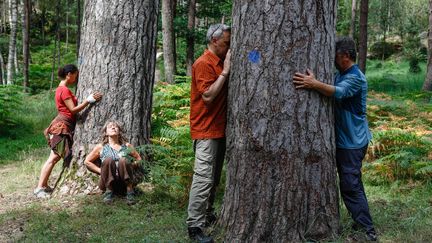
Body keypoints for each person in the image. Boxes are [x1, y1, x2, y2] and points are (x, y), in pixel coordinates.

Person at [292, 37, 377, 241]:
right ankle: (362, 223)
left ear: (346, 56)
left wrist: (313, 84)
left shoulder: (356, 77)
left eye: (336, 56)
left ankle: (368, 232)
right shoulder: (342, 74)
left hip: (353, 142)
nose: (333, 59)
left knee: (350, 185)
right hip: (346, 141)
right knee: (353, 184)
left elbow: (339, 93)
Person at [186, 23, 231, 243]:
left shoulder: (223, 60)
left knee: (213, 178)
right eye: (226, 43)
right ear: (214, 41)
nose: (228, 47)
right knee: (203, 178)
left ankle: (208, 214)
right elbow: (208, 96)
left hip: (221, 129)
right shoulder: (203, 63)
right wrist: (224, 73)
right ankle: (194, 226)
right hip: (206, 130)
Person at [34, 64, 102, 198]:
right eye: (75, 75)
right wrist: (88, 101)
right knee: (53, 157)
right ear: (69, 74)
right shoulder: (63, 90)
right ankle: (39, 188)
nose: (76, 78)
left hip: (64, 125)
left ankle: (44, 185)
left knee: (54, 157)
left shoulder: (61, 89)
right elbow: (73, 110)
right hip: (61, 127)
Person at [84, 120, 142, 205]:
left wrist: (130, 166)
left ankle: (130, 191)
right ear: (106, 132)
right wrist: (101, 171)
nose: (113, 127)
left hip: (124, 181)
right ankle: (109, 192)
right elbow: (87, 162)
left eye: (116, 126)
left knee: (124, 160)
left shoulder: (126, 146)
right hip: (106, 182)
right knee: (108, 159)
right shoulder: (101, 147)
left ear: (119, 131)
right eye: (110, 126)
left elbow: (139, 159)